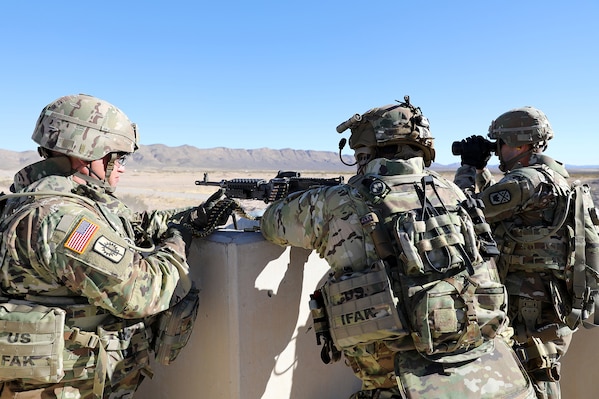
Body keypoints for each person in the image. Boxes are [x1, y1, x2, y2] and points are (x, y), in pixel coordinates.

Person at [260, 97, 536, 398]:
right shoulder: (453, 193)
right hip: (482, 371)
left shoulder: (337, 202)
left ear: (366, 150)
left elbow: (272, 224)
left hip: (398, 385)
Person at [0, 94, 235, 398]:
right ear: (87, 154)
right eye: (117, 157)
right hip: (65, 389)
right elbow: (143, 291)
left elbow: (126, 226)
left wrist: (188, 216)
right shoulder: (62, 220)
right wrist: (180, 237)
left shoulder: (32, 200)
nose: (122, 168)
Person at [453, 106, 579, 399]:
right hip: (547, 300)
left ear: (521, 144)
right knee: (538, 372)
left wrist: (468, 168)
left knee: (533, 377)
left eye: (502, 143)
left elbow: (465, 216)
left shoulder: (526, 181)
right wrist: (481, 171)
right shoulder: (549, 176)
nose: (498, 151)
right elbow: (499, 210)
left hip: (529, 309)